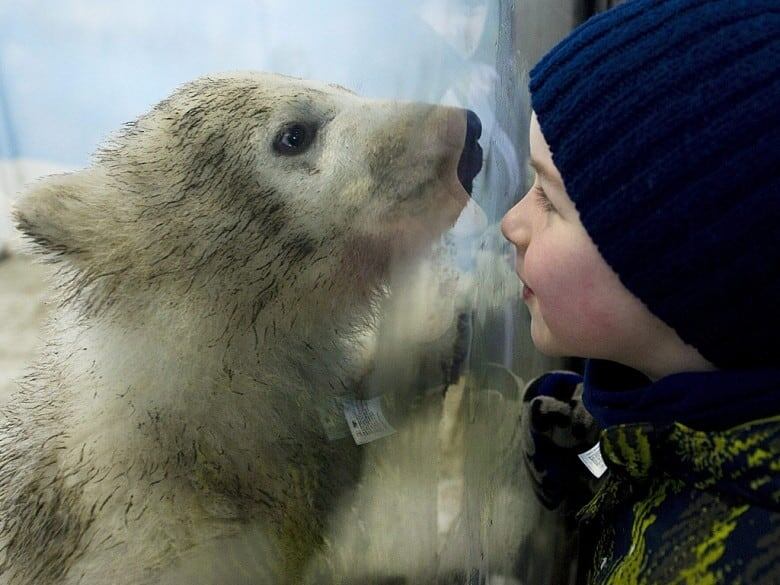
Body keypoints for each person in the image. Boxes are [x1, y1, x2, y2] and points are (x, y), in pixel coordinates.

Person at [500, 1, 780, 583]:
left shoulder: (729, 561)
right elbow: (664, 453)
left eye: (549, 199)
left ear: (686, 266)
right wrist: (579, 432)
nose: (513, 221)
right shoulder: (691, 415)